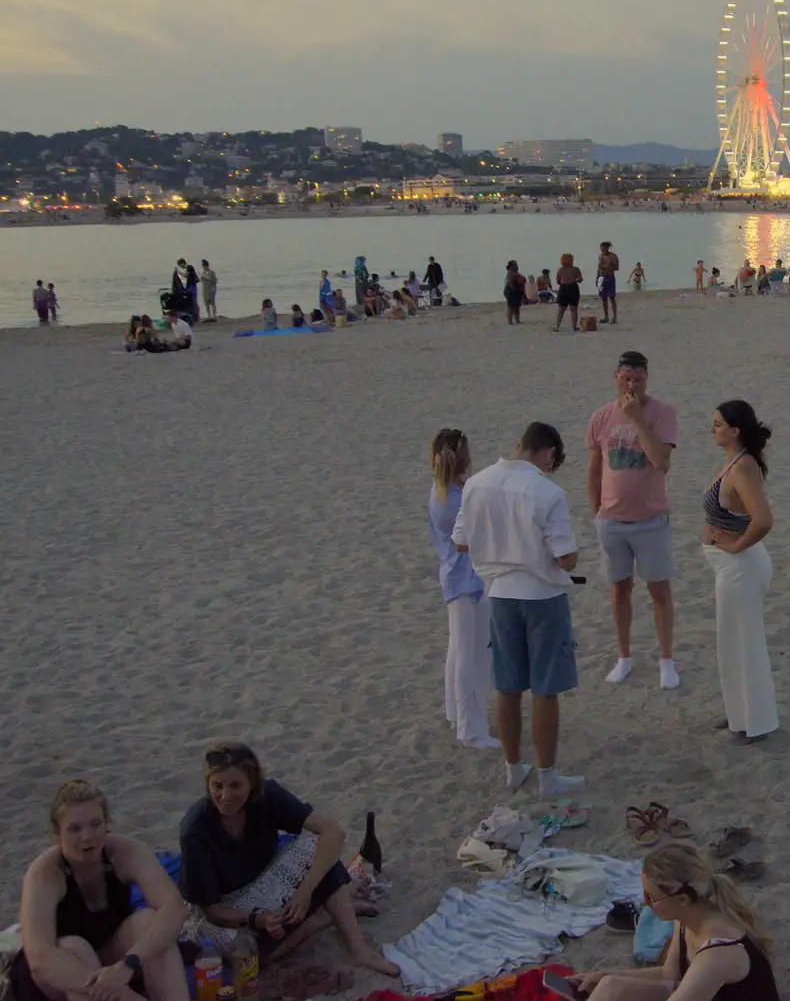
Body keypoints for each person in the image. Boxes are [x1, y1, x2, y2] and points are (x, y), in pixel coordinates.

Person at [178, 743, 398, 975]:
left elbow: (333, 833)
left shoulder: (267, 796)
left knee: (320, 853)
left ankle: (358, 949)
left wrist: (304, 891)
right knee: (253, 956)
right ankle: (327, 917)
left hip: (266, 882)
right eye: (217, 786)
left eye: (235, 786)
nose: (225, 796)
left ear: (252, 784)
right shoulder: (195, 831)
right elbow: (211, 910)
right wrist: (256, 920)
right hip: (225, 910)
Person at [452, 422, 584, 795]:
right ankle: (547, 776)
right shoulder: (547, 491)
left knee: (507, 686)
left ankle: (513, 768)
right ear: (548, 453)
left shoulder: (476, 483)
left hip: (499, 593)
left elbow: (460, 542)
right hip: (541, 595)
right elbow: (566, 559)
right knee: (545, 688)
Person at [12, 780, 190, 1001]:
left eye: (95, 824)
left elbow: (174, 909)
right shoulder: (46, 873)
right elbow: (40, 960)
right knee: (75, 947)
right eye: (75, 828)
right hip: (60, 976)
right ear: (57, 834)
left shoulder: (125, 852)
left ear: (107, 824)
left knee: (148, 922)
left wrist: (129, 963)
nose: (87, 836)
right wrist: (123, 995)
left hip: (112, 958)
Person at [571, 843, 779, 1001]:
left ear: (682, 900)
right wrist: (604, 975)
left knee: (612, 991)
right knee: (610, 986)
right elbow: (667, 975)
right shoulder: (687, 919)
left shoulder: (717, 953)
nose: (645, 904)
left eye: (651, 897)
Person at [587, 351, 679, 690]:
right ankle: (624, 656)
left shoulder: (661, 414)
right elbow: (595, 468)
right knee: (619, 589)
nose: (631, 385)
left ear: (646, 380)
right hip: (611, 520)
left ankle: (666, 660)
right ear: (615, 378)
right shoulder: (600, 416)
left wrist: (637, 418)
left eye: (638, 379)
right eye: (626, 378)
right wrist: (596, 509)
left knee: (659, 590)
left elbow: (661, 461)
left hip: (650, 519)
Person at [701, 402, 776, 744]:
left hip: (742, 568)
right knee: (730, 641)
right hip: (731, 567)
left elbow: (763, 520)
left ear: (735, 430)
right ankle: (739, 715)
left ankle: (757, 721)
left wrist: (736, 546)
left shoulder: (743, 467)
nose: (712, 429)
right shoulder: (733, 461)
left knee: (746, 643)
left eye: (718, 424)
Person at [429, 429, 498, 750]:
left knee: (460, 649)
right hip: (463, 579)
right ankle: (470, 729)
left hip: (464, 577)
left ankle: (456, 713)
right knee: (467, 654)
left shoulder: (451, 490)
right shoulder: (451, 498)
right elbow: (476, 532)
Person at [554, 254, 583, 332]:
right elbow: (580, 279)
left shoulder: (560, 270)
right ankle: (574, 326)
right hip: (573, 288)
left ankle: (557, 326)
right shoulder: (576, 269)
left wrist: (564, 282)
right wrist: (575, 280)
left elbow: (558, 281)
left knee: (561, 309)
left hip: (563, 288)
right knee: (573, 309)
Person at [598, 242, 621, 324]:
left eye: (604, 249)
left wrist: (607, 266)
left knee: (611, 298)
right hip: (602, 278)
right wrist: (597, 278)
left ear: (607, 248)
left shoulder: (613, 256)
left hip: (610, 277)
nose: (602, 250)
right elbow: (599, 268)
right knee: (603, 298)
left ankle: (614, 317)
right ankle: (606, 317)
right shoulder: (600, 256)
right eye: (601, 249)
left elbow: (617, 268)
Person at [504, 260, 526, 325]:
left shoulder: (516, 272)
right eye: (515, 265)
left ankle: (517, 320)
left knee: (517, 306)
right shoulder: (510, 273)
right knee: (511, 306)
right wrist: (515, 290)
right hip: (511, 291)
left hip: (517, 290)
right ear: (511, 266)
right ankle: (510, 321)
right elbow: (510, 283)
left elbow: (522, 278)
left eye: (516, 264)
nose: (516, 266)